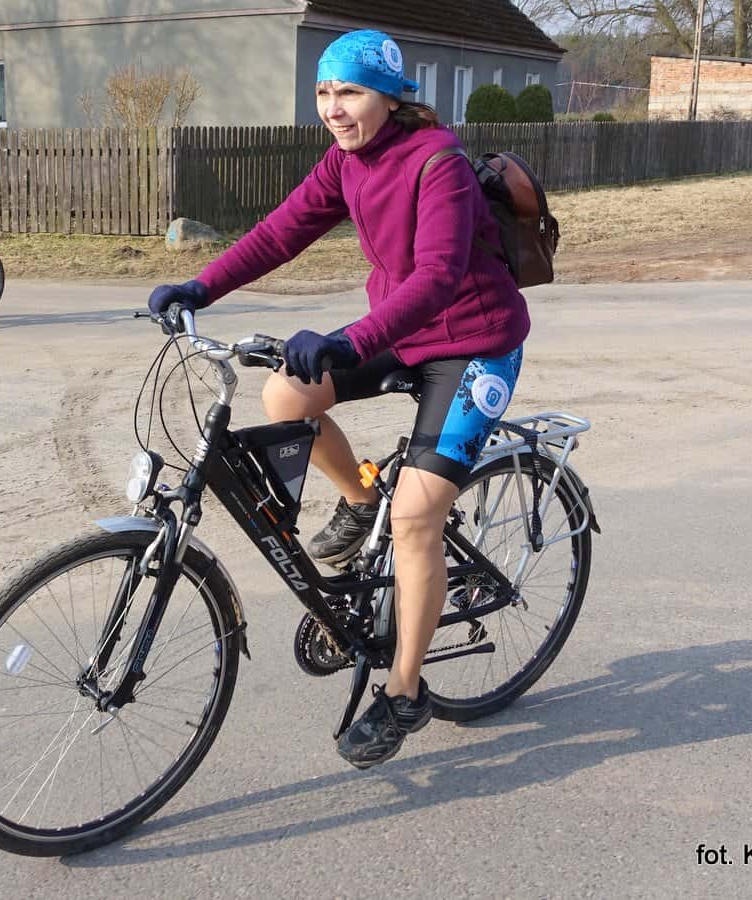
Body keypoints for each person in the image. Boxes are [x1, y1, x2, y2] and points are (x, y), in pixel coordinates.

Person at [147, 29, 529, 769]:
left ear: (390, 97)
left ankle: (406, 690)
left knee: (416, 517)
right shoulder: (344, 161)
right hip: (405, 332)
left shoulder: (438, 162)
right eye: (324, 92)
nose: (333, 108)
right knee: (286, 395)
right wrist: (201, 285)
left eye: (349, 92)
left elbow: (439, 277)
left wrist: (348, 340)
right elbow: (279, 233)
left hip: (474, 342)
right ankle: (358, 500)